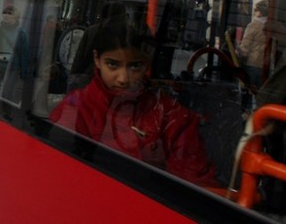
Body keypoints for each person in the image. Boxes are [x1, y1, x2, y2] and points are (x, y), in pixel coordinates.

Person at [49, 16, 218, 187]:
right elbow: (60, 175)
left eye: (135, 66)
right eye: (113, 65)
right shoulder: (76, 108)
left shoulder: (169, 114)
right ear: (97, 60)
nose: (123, 78)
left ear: (147, 63)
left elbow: (192, 184)